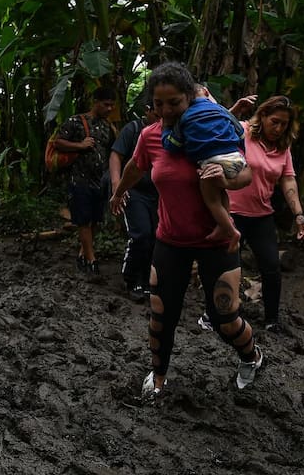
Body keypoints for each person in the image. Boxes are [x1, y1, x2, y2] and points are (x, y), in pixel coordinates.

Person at [109, 63, 263, 394]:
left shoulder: (212, 127)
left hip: (216, 241)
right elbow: (137, 167)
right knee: (161, 317)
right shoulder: (150, 137)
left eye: (174, 103)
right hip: (171, 241)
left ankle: (251, 358)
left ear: (189, 98)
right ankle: (159, 376)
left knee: (225, 318)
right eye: (159, 104)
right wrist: (119, 192)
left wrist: (222, 177)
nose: (166, 111)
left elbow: (246, 174)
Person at [228, 95, 304, 333]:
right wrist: (234, 108)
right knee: (228, 267)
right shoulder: (242, 131)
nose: (278, 128)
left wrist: (299, 214)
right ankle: (218, 314)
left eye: (284, 124)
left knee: (272, 266)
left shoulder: (283, 148)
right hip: (232, 212)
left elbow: (288, 180)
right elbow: (215, 125)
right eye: (274, 121)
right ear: (262, 116)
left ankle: (272, 319)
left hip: (261, 215)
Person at [160, 70, 246, 253]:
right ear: (207, 93)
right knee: (221, 191)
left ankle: (231, 231)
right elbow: (240, 131)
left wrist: (166, 130)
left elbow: (172, 145)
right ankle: (225, 221)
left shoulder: (185, 117)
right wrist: (239, 152)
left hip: (212, 161)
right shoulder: (222, 110)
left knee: (212, 200)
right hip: (236, 159)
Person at [54, 86, 116, 275]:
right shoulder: (76, 122)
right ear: (95, 102)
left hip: (100, 180)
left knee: (95, 219)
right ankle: (92, 259)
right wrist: (80, 145)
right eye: (106, 105)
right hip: (79, 179)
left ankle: (84, 253)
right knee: (83, 220)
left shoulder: (108, 127)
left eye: (112, 105)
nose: (110, 109)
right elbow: (58, 142)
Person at [109, 101, 160, 301]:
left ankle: (147, 280)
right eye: (156, 113)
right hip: (134, 191)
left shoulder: (169, 129)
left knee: (157, 238)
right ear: (147, 110)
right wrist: (116, 184)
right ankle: (131, 279)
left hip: (158, 194)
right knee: (141, 235)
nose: (159, 118)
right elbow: (116, 155)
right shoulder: (134, 129)